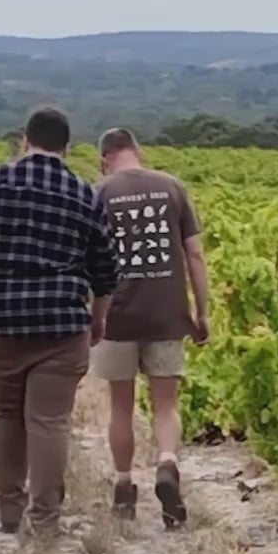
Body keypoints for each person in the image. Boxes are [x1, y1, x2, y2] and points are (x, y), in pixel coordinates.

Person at [0, 105, 118, 537]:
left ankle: (9, 509)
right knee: (49, 421)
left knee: (5, 413)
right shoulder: (84, 194)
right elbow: (105, 272)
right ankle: (44, 520)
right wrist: (98, 320)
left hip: (2, 320)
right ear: (67, 147)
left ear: (25, 140)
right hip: (61, 323)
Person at [92, 128, 210, 528]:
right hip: (166, 312)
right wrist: (202, 312)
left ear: (104, 159)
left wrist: (90, 313)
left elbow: (89, 258)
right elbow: (194, 253)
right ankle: (167, 463)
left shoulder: (100, 193)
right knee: (166, 404)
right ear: (137, 151)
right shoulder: (172, 187)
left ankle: (124, 486)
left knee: (120, 405)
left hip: (116, 316)